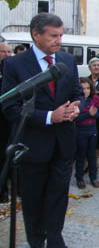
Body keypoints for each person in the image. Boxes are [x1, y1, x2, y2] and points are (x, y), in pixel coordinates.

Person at [1, 13, 82, 248]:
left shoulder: (67, 60)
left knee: (58, 199)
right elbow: (10, 107)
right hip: (33, 147)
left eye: (61, 35)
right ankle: (36, 241)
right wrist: (49, 117)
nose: (59, 40)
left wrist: (76, 108)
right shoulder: (15, 64)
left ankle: (55, 239)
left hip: (63, 144)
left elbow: (77, 93)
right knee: (33, 201)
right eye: (53, 35)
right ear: (36, 35)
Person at [75, 78, 99, 189]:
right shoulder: (77, 101)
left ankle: (93, 177)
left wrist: (93, 114)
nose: (85, 91)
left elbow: (98, 113)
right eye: (83, 88)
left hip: (92, 130)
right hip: (80, 130)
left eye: (88, 88)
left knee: (92, 155)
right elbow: (76, 118)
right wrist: (88, 114)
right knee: (81, 156)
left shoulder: (94, 99)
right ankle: (79, 178)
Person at [0, 43, 12, 203]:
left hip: (10, 120)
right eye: (3, 51)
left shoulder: (12, 71)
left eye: (9, 51)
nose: (7, 54)